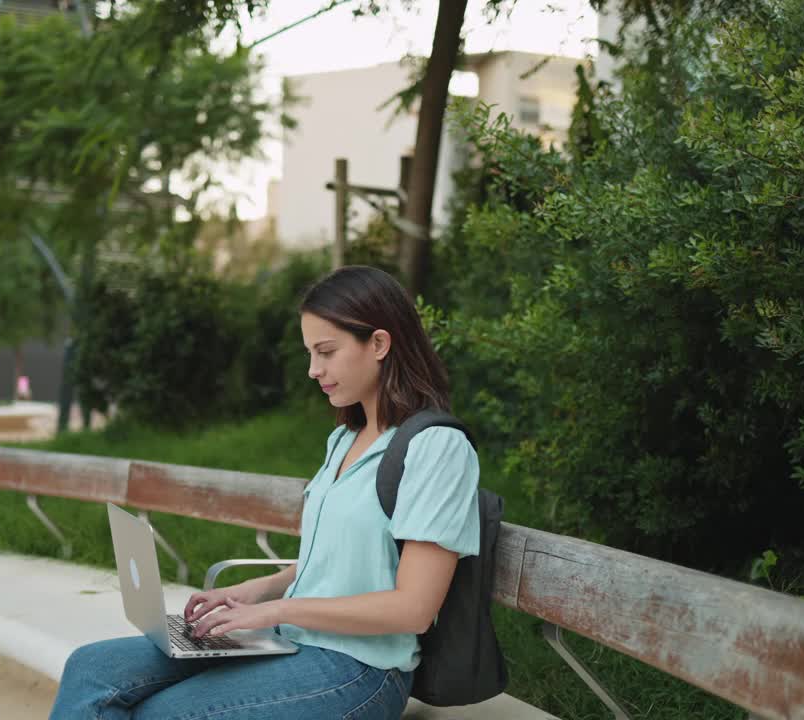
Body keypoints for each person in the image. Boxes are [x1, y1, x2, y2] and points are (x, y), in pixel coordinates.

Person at [48, 265, 481, 720]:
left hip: (360, 670)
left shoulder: (437, 448)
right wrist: (255, 591)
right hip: (291, 635)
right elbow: (336, 561)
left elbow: (412, 609)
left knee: (163, 714)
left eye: (326, 352)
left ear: (378, 343)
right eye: (310, 353)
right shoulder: (344, 439)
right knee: (91, 669)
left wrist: (275, 609)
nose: (314, 370)